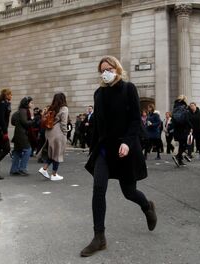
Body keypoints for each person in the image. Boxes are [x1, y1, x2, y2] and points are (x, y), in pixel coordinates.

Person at [81, 56, 156, 257]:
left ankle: (147, 206)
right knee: (98, 188)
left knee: (129, 192)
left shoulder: (128, 88)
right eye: (102, 70)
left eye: (108, 68)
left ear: (117, 69)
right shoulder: (99, 93)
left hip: (124, 149)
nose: (105, 72)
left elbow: (134, 121)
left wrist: (127, 142)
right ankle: (99, 237)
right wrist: (92, 147)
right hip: (104, 150)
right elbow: (98, 123)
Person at [38, 93, 69, 181]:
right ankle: (54, 174)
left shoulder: (51, 108)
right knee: (58, 153)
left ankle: (44, 169)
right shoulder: (64, 108)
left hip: (49, 132)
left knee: (53, 153)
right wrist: (65, 134)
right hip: (58, 132)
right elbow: (63, 123)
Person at [10, 97, 35, 176]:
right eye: (31, 102)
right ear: (27, 103)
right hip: (22, 134)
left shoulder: (19, 111)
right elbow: (25, 122)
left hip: (18, 134)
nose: (32, 104)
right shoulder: (24, 111)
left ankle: (14, 169)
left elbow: (13, 122)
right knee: (28, 150)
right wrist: (33, 120)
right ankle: (22, 168)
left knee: (17, 151)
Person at [171, 95, 192, 167]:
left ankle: (180, 161)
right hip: (184, 129)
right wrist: (191, 126)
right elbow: (186, 119)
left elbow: (173, 119)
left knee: (181, 144)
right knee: (185, 145)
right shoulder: (184, 107)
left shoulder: (175, 107)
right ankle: (177, 156)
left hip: (177, 129)